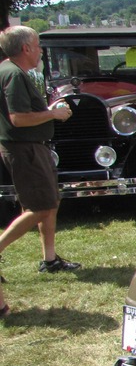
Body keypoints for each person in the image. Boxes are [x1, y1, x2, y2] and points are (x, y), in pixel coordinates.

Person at [0, 26, 80, 274]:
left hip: (31, 148)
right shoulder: (13, 74)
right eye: (37, 46)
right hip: (25, 150)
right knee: (39, 208)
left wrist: (48, 110)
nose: (40, 51)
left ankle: (50, 259)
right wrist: (53, 113)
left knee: (49, 202)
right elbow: (18, 118)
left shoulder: (10, 69)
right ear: (25, 48)